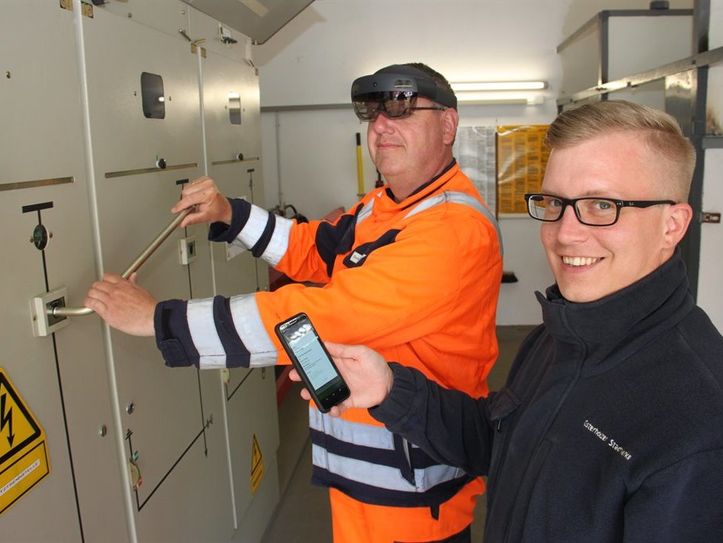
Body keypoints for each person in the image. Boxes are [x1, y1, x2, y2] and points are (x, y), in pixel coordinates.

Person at [85, 63, 503, 543]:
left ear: (448, 124)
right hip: (366, 482)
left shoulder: (452, 229)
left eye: (402, 107)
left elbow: (321, 320)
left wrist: (159, 321)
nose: (383, 124)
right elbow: (313, 247)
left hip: (412, 497)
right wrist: (230, 214)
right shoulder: (384, 205)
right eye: (373, 112)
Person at [294, 100, 723, 542]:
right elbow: (500, 442)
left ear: (673, 224)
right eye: (555, 202)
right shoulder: (559, 337)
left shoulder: (699, 423)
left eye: (601, 205)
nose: (565, 232)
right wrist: (389, 389)